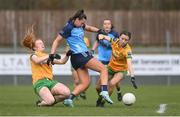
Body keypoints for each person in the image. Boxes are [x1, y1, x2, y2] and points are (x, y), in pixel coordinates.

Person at [50, 9, 113, 107]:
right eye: (81, 22)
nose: (82, 25)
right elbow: (56, 41)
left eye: (84, 23)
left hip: (76, 58)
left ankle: (69, 99)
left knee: (85, 83)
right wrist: (52, 54)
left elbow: (89, 28)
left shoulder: (81, 24)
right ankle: (104, 91)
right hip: (81, 55)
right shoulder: (68, 27)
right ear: (76, 19)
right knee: (103, 69)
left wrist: (99, 31)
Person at [22, 26, 71, 106]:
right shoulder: (33, 55)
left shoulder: (46, 56)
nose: (42, 44)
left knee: (67, 93)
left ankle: (50, 101)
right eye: (40, 43)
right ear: (34, 47)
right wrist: (50, 55)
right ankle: (40, 104)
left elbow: (62, 62)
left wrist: (67, 55)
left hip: (50, 82)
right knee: (50, 101)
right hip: (40, 83)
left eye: (42, 43)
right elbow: (37, 61)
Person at [96, 31, 138, 107]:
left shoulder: (127, 50)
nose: (123, 41)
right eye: (122, 38)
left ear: (128, 41)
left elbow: (129, 63)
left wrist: (132, 77)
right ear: (119, 38)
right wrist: (101, 36)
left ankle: (102, 102)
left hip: (121, 70)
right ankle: (100, 98)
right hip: (110, 68)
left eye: (126, 40)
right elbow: (106, 37)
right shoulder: (115, 41)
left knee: (111, 83)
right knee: (98, 87)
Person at [91, 19, 123, 102]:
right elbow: (97, 42)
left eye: (108, 24)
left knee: (111, 81)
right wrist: (93, 50)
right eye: (105, 24)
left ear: (111, 25)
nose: (107, 25)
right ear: (103, 25)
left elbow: (118, 45)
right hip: (102, 60)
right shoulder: (100, 33)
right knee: (102, 82)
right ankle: (103, 97)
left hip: (112, 61)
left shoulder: (115, 34)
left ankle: (118, 91)